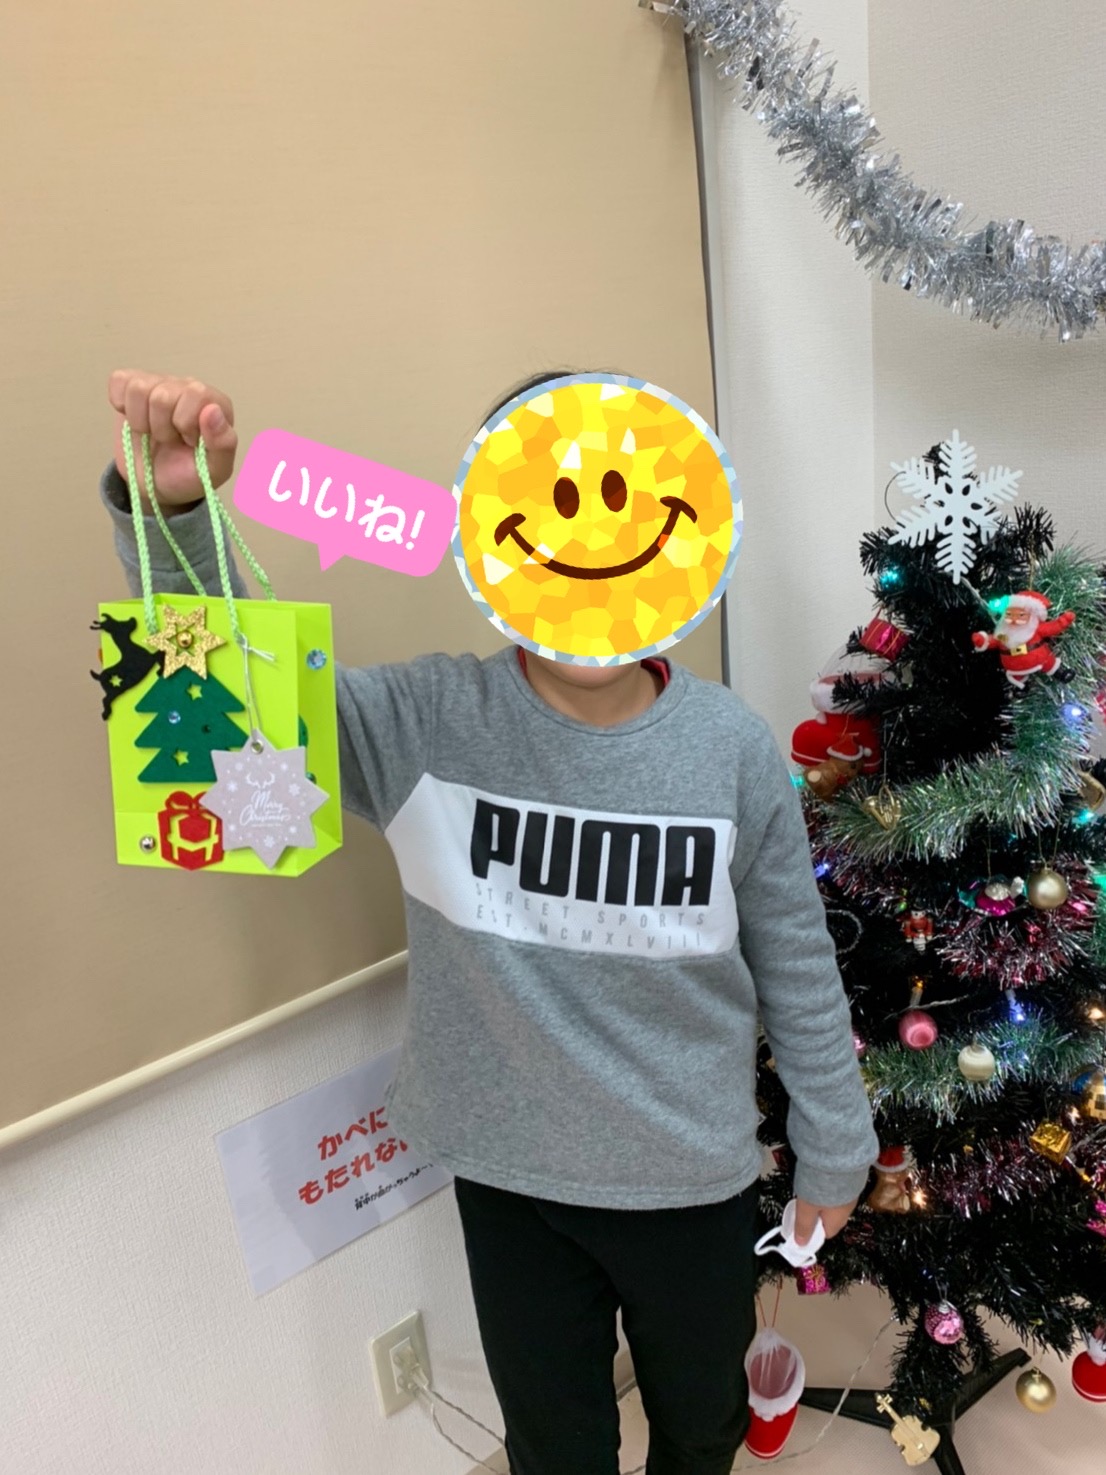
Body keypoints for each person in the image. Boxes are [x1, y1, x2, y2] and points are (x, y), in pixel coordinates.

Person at [101, 369, 879, 1475]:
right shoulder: (425, 722)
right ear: (493, 541)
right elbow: (239, 695)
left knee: (702, 1423)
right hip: (511, 1182)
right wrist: (180, 513)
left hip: (691, 1178)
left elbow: (796, 960)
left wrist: (834, 1149)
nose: (591, 546)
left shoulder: (729, 747)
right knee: (555, 1445)